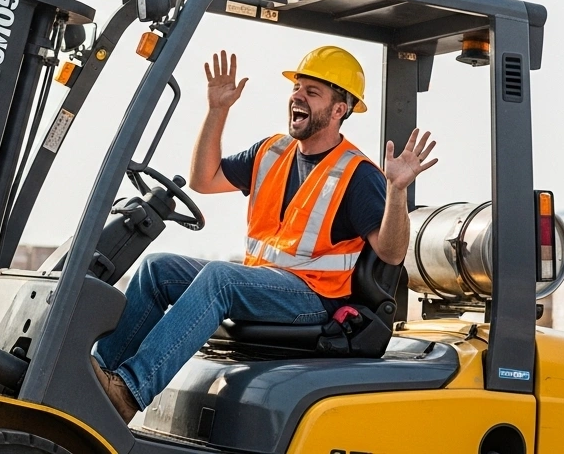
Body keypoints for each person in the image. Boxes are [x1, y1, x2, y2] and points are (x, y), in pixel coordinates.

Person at [91, 45, 438, 423]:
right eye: (297, 87)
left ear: (339, 110)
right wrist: (217, 110)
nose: (297, 96)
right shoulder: (272, 151)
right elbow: (203, 180)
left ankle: (129, 390)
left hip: (314, 297)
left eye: (312, 91)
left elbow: (390, 253)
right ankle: (94, 380)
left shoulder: (359, 175)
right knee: (157, 269)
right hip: (262, 284)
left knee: (220, 279)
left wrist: (397, 190)